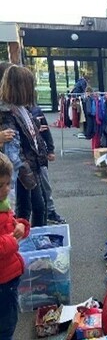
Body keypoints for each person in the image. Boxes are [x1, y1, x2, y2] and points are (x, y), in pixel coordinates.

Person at [0, 152, 39, 340]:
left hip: (8, 274)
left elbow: (12, 224)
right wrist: (14, 238)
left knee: (7, 320)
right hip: (2, 278)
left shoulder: (3, 205)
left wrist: (22, 226)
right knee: (5, 322)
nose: (6, 190)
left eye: (7, 184)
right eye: (0, 185)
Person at [0, 65, 48, 226]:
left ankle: (28, 239)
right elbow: (14, 152)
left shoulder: (21, 109)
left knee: (30, 207)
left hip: (31, 166)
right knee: (33, 207)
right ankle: (32, 241)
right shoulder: (6, 112)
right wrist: (28, 177)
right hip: (23, 170)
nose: (32, 90)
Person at [31, 105, 66, 224]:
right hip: (24, 159)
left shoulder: (36, 110)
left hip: (40, 155)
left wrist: (50, 149)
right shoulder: (11, 111)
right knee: (27, 193)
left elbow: (46, 131)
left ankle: (50, 212)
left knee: (45, 186)